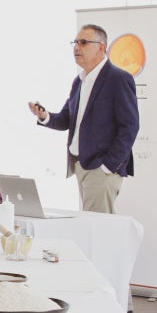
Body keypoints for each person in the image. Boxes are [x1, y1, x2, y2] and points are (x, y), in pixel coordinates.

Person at [29, 23, 139, 214]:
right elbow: (67, 119)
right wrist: (45, 116)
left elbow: (130, 126)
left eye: (83, 42)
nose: (76, 47)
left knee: (99, 233)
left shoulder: (118, 79)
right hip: (81, 167)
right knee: (91, 230)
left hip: (101, 170)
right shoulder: (79, 81)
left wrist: (108, 166)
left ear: (101, 48)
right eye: (75, 42)